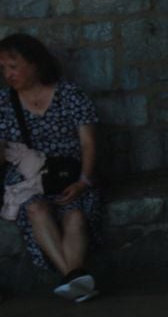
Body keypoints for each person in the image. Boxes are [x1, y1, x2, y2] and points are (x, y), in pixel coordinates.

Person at [0, 33, 102, 301]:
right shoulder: (4, 103)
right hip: (29, 181)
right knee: (35, 209)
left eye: (13, 66)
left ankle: (72, 281)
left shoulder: (69, 94)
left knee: (75, 213)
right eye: (3, 68)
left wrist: (83, 181)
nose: (8, 74)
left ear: (34, 64)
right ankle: (74, 276)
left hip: (71, 175)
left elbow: (89, 142)